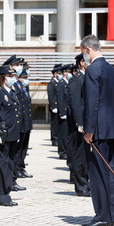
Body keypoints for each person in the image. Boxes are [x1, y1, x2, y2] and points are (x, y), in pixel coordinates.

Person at [81, 34, 114, 226]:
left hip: (100, 130)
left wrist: (89, 130)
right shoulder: (111, 68)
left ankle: (103, 216)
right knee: (110, 171)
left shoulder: (93, 70)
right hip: (112, 128)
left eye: (82, 51)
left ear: (88, 49)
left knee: (100, 173)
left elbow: (92, 103)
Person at [0, 65, 20, 206]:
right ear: (3, 78)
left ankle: (6, 193)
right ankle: (1, 196)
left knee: (9, 165)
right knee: (2, 165)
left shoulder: (12, 92)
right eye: (10, 76)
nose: (13, 79)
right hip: (2, 136)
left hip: (12, 136)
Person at [67, 54, 90, 196]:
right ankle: (81, 187)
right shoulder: (76, 80)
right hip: (79, 125)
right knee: (79, 156)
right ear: (81, 62)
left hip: (87, 123)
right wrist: (79, 123)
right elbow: (75, 104)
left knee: (86, 156)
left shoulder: (86, 78)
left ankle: (85, 183)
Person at [47, 64, 62, 147]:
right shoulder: (52, 83)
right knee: (55, 124)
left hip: (59, 107)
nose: (60, 75)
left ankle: (57, 138)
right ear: (55, 74)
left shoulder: (58, 83)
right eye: (59, 74)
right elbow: (51, 96)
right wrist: (53, 106)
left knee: (58, 124)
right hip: (55, 107)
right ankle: (54, 139)